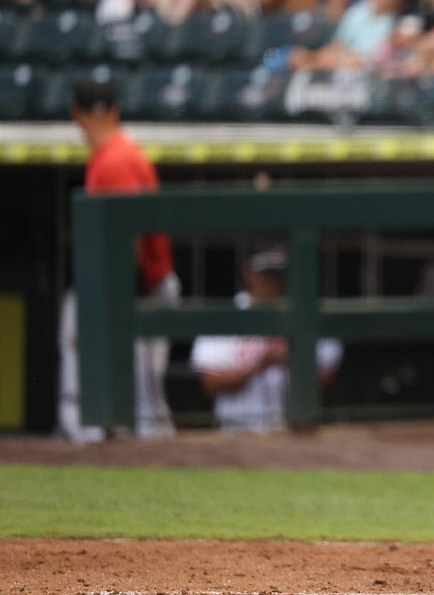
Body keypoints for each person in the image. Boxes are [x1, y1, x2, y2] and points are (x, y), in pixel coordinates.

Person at [62, 80, 180, 442]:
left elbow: (129, 239)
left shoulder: (116, 159)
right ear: (115, 110)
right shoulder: (116, 154)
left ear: (75, 114)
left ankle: (145, 456)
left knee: (145, 398)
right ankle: (101, 444)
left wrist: (114, 301)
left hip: (140, 286)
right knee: (139, 394)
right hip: (132, 284)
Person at [190, 247, 343, 434]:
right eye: (269, 274)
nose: (276, 282)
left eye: (281, 274)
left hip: (295, 432)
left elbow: (327, 377)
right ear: (249, 272)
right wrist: (259, 365)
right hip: (238, 432)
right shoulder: (225, 316)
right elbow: (211, 383)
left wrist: (293, 361)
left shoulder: (306, 313)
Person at [291, 0, 406, 71]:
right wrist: (318, 56)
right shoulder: (357, 11)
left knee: (344, 62)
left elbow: (374, 57)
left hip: (363, 66)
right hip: (339, 58)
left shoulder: (394, 24)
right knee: (298, 56)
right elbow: (338, 43)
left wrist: (345, 58)